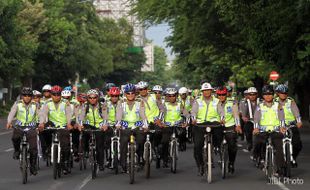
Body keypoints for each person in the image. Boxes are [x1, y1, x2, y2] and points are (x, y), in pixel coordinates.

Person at [191, 82, 224, 176]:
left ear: (211, 91)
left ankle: (217, 147)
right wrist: (193, 120)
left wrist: (222, 119)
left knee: (219, 134)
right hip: (200, 124)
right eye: (204, 90)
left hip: (214, 123)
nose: (206, 92)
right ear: (202, 91)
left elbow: (221, 112)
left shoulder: (216, 101)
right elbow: (193, 112)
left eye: (208, 90)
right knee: (197, 146)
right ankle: (200, 165)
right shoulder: (197, 101)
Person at [39, 85, 73, 175]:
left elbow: (69, 113)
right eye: (54, 94)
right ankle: (48, 148)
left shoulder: (66, 102)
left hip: (63, 125)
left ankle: (65, 162)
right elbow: (43, 113)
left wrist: (69, 123)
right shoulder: (47, 103)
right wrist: (42, 123)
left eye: (58, 94)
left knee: (65, 146)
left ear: (61, 95)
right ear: (51, 94)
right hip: (52, 124)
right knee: (43, 131)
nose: (56, 96)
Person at [253, 85, 286, 176]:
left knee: (279, 147)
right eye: (266, 94)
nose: (268, 96)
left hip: (275, 130)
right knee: (257, 142)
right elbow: (256, 118)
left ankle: (280, 168)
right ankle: (258, 158)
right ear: (263, 96)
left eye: (270, 94)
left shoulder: (277, 105)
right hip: (262, 130)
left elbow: (281, 117)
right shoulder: (260, 106)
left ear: (273, 95)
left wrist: (282, 127)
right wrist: (256, 128)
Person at [115, 83, 148, 172]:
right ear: (125, 94)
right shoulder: (121, 103)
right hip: (125, 127)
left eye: (132, 93)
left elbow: (143, 114)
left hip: (137, 126)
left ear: (135, 93)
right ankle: (123, 163)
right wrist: (118, 124)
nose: (130, 95)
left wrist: (145, 125)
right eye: (128, 93)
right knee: (123, 142)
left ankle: (140, 157)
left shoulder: (139, 102)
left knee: (141, 140)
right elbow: (119, 115)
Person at [7, 87, 39, 175]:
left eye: (29, 95)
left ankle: (33, 166)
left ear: (31, 96)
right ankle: (17, 151)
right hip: (19, 127)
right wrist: (9, 122)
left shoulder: (35, 105)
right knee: (15, 138)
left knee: (33, 148)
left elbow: (40, 115)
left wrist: (40, 124)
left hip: (31, 128)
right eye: (25, 95)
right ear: (22, 96)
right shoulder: (17, 104)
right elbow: (12, 113)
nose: (27, 97)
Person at [78, 89, 112, 171]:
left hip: (99, 127)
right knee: (83, 135)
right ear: (88, 98)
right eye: (90, 98)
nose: (92, 99)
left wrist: (104, 125)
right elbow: (81, 116)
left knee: (99, 145)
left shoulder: (102, 106)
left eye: (94, 98)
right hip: (89, 126)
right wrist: (80, 125)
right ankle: (84, 150)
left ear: (97, 98)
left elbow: (105, 117)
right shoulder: (85, 106)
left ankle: (100, 163)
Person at [216, 86, 242, 173]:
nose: (221, 96)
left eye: (223, 94)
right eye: (219, 95)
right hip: (217, 126)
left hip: (230, 125)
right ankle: (220, 157)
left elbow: (236, 115)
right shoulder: (214, 103)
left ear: (226, 94)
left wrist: (238, 125)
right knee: (216, 143)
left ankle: (231, 162)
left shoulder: (232, 103)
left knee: (232, 146)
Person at [275, 84, 302, 167]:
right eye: (281, 93)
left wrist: (298, 121)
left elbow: (296, 112)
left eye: (285, 93)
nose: (283, 94)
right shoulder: (273, 102)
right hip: (278, 126)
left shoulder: (291, 101)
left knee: (297, 144)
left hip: (290, 125)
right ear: (277, 93)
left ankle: (292, 158)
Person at [161, 88, 189, 167]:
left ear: (176, 96)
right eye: (169, 96)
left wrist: (186, 122)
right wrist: (161, 122)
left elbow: (186, 114)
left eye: (173, 95)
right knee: (164, 141)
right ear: (167, 96)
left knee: (183, 133)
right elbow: (161, 114)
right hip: (167, 125)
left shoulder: (180, 104)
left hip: (178, 125)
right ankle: (165, 159)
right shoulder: (165, 105)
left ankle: (182, 144)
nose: (171, 97)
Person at [241, 87, 260, 151]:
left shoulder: (261, 102)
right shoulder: (244, 102)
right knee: (247, 128)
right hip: (250, 120)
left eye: (254, 94)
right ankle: (249, 142)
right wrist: (244, 117)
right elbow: (243, 112)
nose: (252, 96)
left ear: (257, 94)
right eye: (250, 94)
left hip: (260, 121)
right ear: (248, 95)